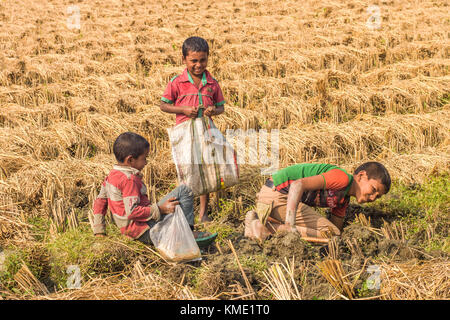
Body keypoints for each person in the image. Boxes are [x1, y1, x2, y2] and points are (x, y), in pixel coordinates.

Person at [160, 36, 226, 223]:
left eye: (203, 60)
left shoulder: (212, 83)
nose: (198, 65)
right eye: (193, 61)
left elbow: (221, 107)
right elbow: (163, 105)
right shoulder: (177, 82)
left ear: (208, 58)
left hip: (205, 131)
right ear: (184, 60)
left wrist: (214, 110)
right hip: (184, 133)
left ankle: (203, 213)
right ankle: (183, 212)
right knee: (187, 171)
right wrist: (183, 109)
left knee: (204, 172)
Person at [91, 132, 200, 244]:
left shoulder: (111, 176)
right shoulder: (129, 179)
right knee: (184, 191)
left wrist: (99, 231)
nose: (146, 162)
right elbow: (133, 211)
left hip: (131, 232)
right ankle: (187, 233)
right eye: (144, 158)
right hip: (145, 230)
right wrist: (160, 209)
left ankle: (179, 231)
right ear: (130, 160)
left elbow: (100, 202)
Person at [244, 162, 391, 241]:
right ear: (361, 176)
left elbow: (335, 229)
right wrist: (290, 225)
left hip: (273, 199)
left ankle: (262, 221)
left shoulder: (343, 199)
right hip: (277, 194)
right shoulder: (343, 179)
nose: (372, 198)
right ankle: (267, 229)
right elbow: (297, 185)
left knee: (332, 233)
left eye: (377, 197)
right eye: (373, 190)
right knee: (330, 234)